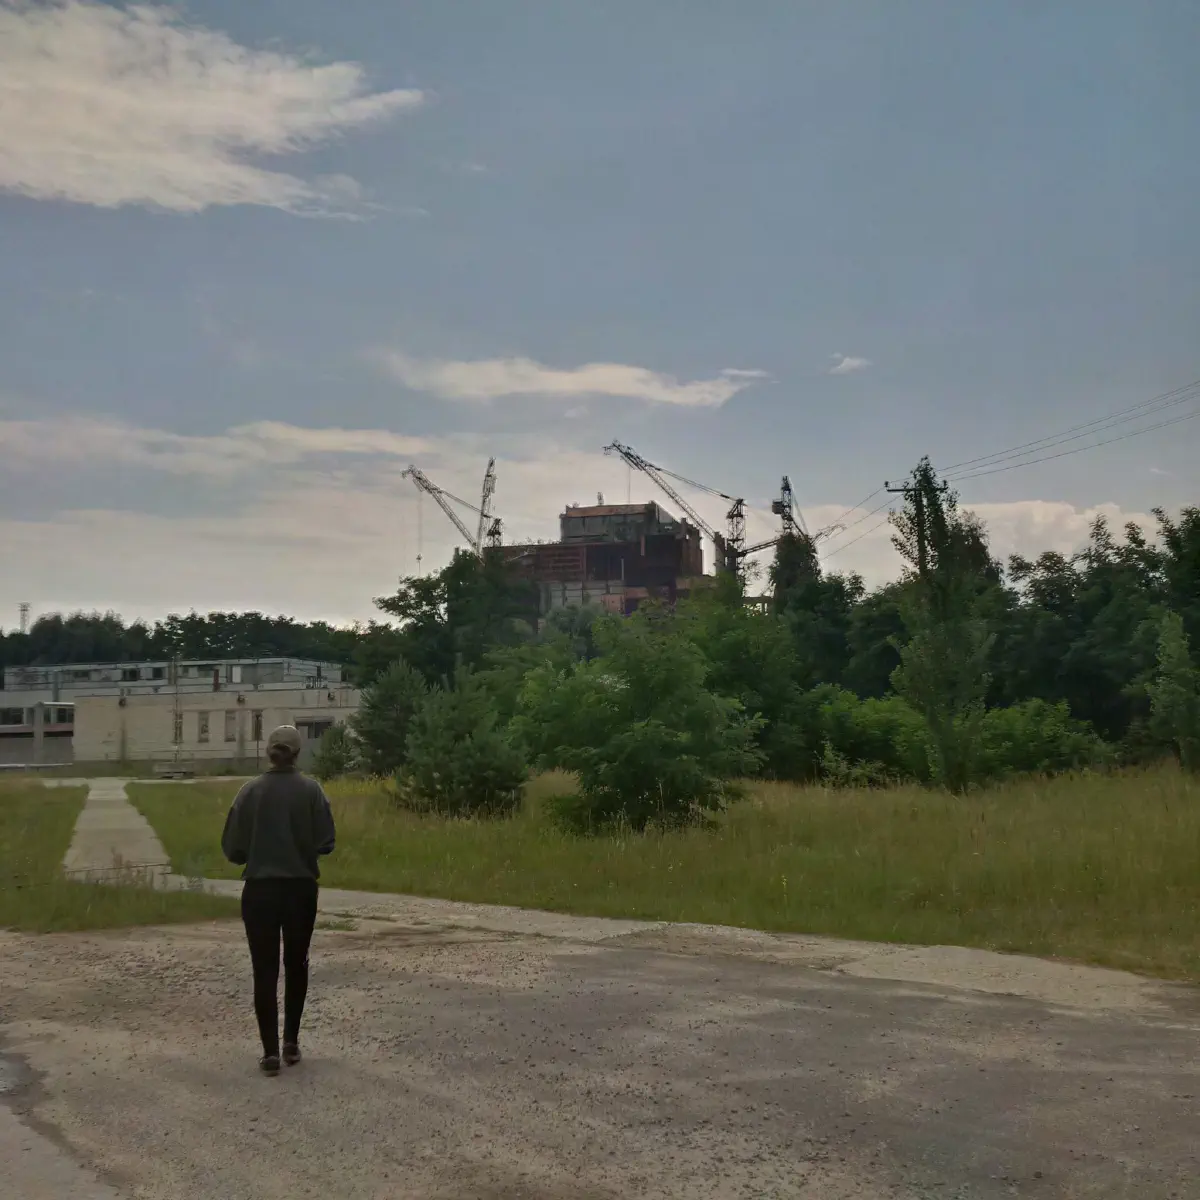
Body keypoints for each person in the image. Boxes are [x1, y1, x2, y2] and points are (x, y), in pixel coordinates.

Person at [221, 724, 336, 1075]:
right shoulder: (312, 791)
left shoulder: (249, 792)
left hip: (260, 891)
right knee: (296, 964)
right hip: (300, 889)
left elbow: (233, 849)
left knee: (265, 969)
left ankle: (270, 1052)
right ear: (298, 754)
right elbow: (326, 842)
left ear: (268, 752)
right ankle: (291, 1043)